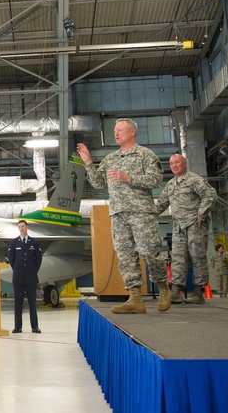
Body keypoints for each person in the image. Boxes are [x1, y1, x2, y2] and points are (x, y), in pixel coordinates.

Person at [77, 119, 170, 314]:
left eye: (120, 130)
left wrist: (129, 178)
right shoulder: (110, 158)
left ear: (132, 132)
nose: (116, 133)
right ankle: (135, 297)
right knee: (125, 256)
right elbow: (98, 183)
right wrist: (88, 162)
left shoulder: (145, 155)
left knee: (149, 251)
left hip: (141, 212)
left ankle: (163, 288)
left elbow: (156, 180)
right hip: (118, 214)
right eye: (114, 130)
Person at [156, 154, 217, 305]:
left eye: (177, 162)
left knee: (197, 257)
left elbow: (210, 195)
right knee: (177, 257)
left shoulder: (194, 180)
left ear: (185, 164)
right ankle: (176, 291)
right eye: (171, 163)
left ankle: (198, 291)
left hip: (194, 225)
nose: (174, 165)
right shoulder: (171, 184)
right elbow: (161, 204)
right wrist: (146, 215)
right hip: (178, 227)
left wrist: (201, 214)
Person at [7, 220, 42, 333]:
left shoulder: (34, 243)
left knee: (32, 302)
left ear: (27, 227)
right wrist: (17, 269)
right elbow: (11, 259)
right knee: (18, 302)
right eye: (19, 227)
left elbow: (38, 260)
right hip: (18, 277)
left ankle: (34, 326)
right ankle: (18, 327)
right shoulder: (14, 243)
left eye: (23, 226)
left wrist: (32, 270)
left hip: (31, 276)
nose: (21, 228)